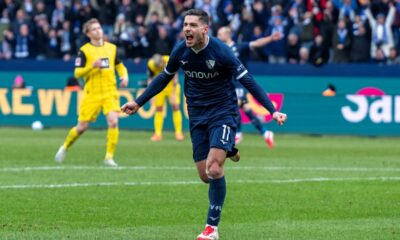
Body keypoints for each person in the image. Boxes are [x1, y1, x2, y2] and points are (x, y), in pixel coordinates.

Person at [121, 9, 287, 240]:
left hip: (223, 112)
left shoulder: (221, 52)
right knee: (204, 175)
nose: (187, 29)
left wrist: (272, 110)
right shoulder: (180, 50)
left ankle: (211, 228)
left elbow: (248, 81)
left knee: (214, 169)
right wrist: (138, 102)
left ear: (205, 29)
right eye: (185, 25)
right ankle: (228, 150)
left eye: (192, 25)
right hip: (197, 115)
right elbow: (164, 78)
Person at [55, 18, 129, 167]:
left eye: (99, 28)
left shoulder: (112, 48)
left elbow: (120, 65)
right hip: (92, 93)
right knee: (82, 127)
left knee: (114, 121)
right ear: (88, 33)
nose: (98, 31)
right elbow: (77, 73)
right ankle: (65, 147)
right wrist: (92, 67)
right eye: (94, 29)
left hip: (110, 91)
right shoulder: (84, 51)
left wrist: (124, 76)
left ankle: (109, 157)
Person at [217, 26, 281, 147]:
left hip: (239, 83)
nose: (218, 37)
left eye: (220, 34)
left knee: (233, 104)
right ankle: (265, 132)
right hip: (228, 84)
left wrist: (271, 38)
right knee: (246, 108)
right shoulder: (221, 50)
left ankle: (238, 133)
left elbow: (257, 43)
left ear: (227, 35)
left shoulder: (239, 47)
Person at [147, 53, 184, 141]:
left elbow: (175, 76)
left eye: (159, 65)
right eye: (157, 66)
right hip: (159, 88)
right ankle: (158, 134)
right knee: (158, 109)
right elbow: (150, 79)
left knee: (175, 107)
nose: (158, 67)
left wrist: (174, 93)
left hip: (171, 86)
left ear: (162, 61)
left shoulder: (168, 60)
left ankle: (178, 133)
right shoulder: (151, 65)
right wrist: (150, 95)